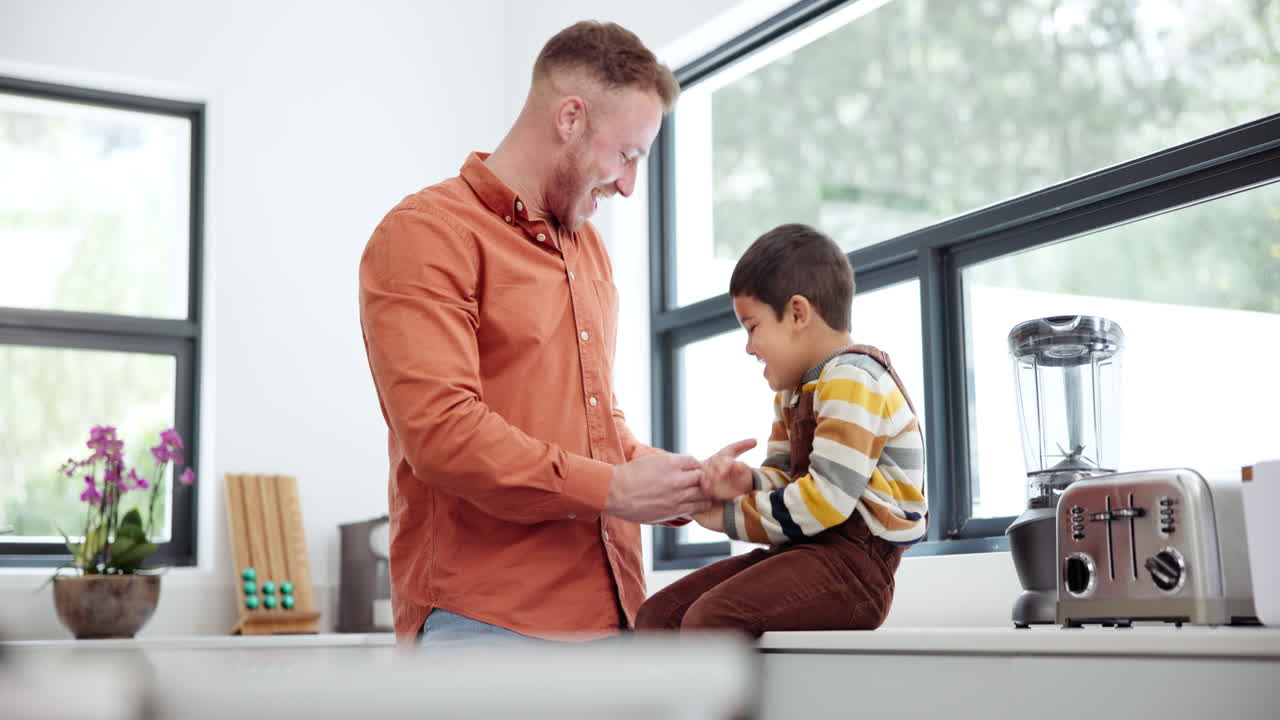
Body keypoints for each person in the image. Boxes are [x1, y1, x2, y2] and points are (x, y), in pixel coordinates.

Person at [358, 21, 714, 648]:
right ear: (571, 118)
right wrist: (612, 488)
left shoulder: (591, 253)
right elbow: (442, 434)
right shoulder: (426, 234)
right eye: (627, 155)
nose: (630, 185)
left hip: (617, 617)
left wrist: (683, 482)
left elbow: (592, 427)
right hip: (484, 626)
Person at [634, 223, 928, 636]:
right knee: (658, 617)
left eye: (752, 327)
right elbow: (787, 480)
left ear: (796, 313)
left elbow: (827, 499)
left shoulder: (853, 378)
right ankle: (676, 703)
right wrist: (746, 481)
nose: (749, 348)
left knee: (710, 619)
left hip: (856, 571)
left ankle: (726, 704)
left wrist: (726, 517)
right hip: (802, 550)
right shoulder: (794, 392)